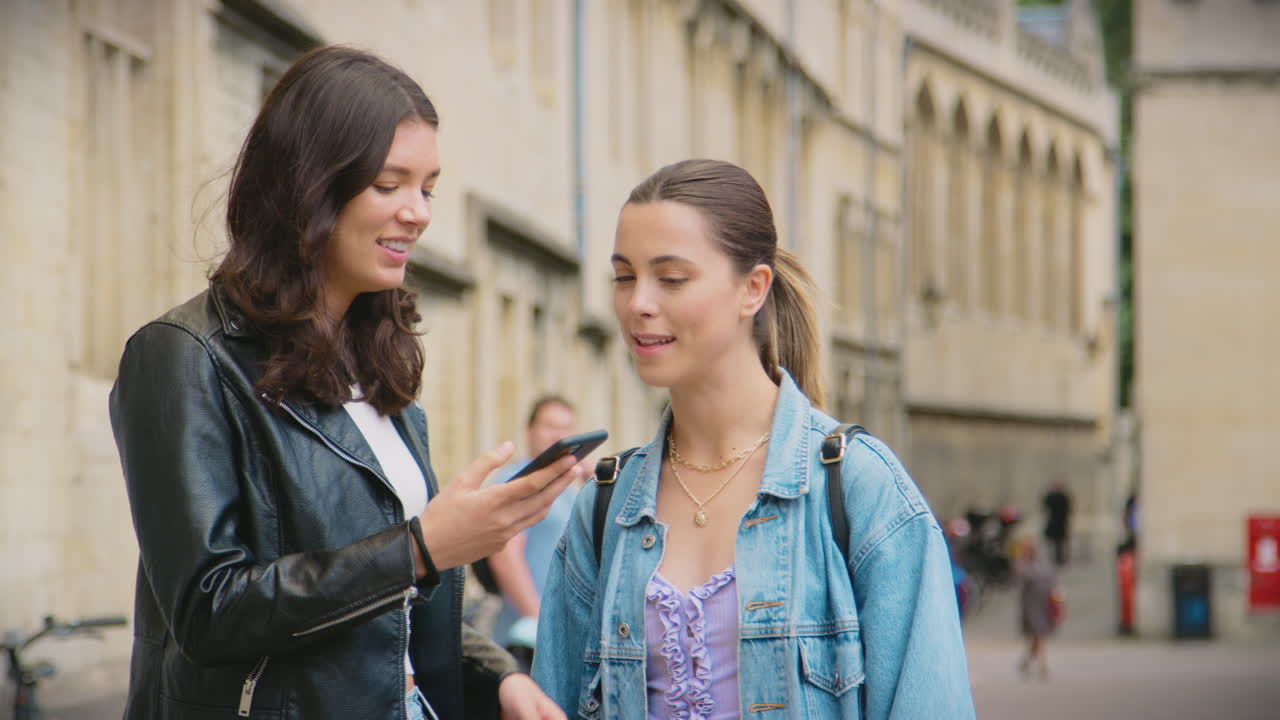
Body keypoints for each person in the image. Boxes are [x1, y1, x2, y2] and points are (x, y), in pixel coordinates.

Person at [108, 46, 575, 720]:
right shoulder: (184, 356)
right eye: (390, 184)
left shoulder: (382, 375)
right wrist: (419, 548)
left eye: (428, 187)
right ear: (309, 187)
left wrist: (497, 674)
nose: (417, 212)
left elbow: (391, 613)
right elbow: (207, 610)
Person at [532, 159, 974, 718]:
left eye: (671, 278)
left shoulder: (859, 487)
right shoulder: (603, 507)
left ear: (753, 289)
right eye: (624, 276)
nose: (638, 302)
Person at [487, 396, 585, 666]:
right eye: (550, 425)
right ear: (529, 431)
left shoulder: (567, 488)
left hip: (562, 639)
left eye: (567, 428)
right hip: (526, 641)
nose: (559, 435)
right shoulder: (518, 480)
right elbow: (505, 558)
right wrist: (542, 623)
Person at [1015, 537, 1060, 681]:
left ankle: (1027, 661)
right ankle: (1042, 665)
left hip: (1043, 603)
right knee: (1038, 634)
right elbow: (1020, 575)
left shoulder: (1043, 563)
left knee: (1038, 635)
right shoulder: (1022, 564)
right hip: (1031, 604)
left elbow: (1052, 579)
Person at [1042, 480, 1073, 566]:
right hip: (1055, 522)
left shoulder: (1062, 496)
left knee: (1059, 543)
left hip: (1060, 523)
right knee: (1054, 542)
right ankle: (1055, 558)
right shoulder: (1054, 496)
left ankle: (1058, 558)